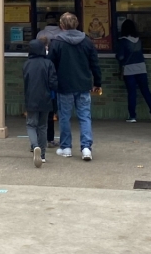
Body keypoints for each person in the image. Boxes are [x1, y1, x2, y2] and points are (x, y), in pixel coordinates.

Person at [48, 12, 102, 161]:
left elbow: (51, 65)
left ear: (61, 25)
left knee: (64, 117)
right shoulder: (87, 41)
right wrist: (97, 82)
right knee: (85, 116)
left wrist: (51, 83)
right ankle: (86, 148)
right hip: (84, 84)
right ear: (77, 24)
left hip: (64, 85)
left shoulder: (56, 42)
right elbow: (95, 64)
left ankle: (66, 147)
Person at [115, 19, 151, 123]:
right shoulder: (139, 40)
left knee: (132, 93)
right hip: (141, 68)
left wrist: (117, 56)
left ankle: (132, 116)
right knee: (146, 91)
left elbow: (121, 57)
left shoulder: (122, 41)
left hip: (129, 69)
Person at [23, 36, 58, 168]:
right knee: (43, 126)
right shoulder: (48, 64)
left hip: (31, 98)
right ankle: (42, 155)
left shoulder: (26, 64)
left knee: (31, 125)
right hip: (46, 99)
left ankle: (35, 146)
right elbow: (53, 83)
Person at [38, 16, 62, 147]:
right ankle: (50, 139)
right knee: (51, 114)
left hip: (37, 91)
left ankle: (37, 141)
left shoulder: (41, 33)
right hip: (51, 90)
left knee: (37, 117)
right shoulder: (62, 34)